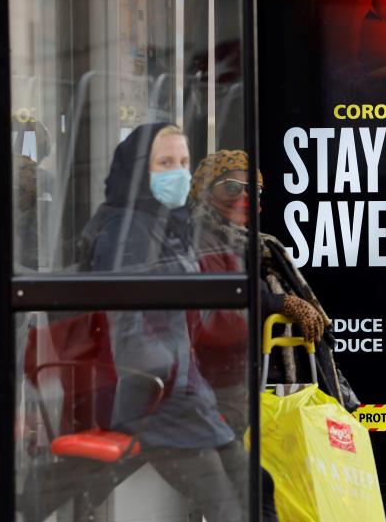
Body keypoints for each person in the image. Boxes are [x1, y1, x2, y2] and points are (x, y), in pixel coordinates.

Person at [79, 123, 268, 522]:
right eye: (165, 163)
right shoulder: (126, 231)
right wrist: (175, 378)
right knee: (227, 507)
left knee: (256, 489)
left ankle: (84, 487)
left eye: (183, 161)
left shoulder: (168, 225)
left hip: (186, 395)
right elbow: (128, 334)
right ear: (138, 172)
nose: (178, 173)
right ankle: (81, 487)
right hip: (156, 401)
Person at [188, 151, 356, 412]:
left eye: (254, 190)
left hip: (261, 376)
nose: (245, 197)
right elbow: (224, 298)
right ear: (205, 193)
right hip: (227, 382)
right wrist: (281, 302)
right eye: (233, 188)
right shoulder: (201, 241)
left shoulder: (256, 245)